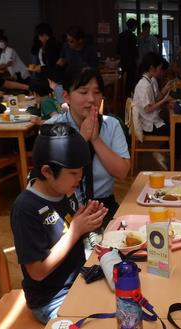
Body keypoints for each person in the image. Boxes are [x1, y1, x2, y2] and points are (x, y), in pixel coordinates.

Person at [11, 124, 107, 323]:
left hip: (78, 281)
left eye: (81, 171)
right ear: (47, 171)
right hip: (51, 299)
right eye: (73, 173)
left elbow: (69, 228)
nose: (79, 178)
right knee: (102, 327)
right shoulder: (25, 209)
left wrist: (86, 219)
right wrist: (75, 231)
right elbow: (37, 272)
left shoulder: (63, 191)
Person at [46, 67, 130, 222]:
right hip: (65, 207)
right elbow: (52, 180)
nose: (92, 99)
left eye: (97, 92)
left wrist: (95, 139)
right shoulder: (52, 129)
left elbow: (122, 173)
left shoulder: (111, 125)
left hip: (103, 206)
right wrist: (82, 139)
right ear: (66, 96)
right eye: (83, 92)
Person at [133, 52, 173, 137]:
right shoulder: (144, 85)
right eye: (160, 68)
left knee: (176, 127)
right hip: (148, 125)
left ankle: (167, 148)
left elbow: (153, 101)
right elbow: (147, 109)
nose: (160, 71)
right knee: (177, 130)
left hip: (151, 120)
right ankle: (169, 149)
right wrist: (164, 100)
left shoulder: (148, 81)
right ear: (152, 68)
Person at [117, 18, 139, 99]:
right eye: (135, 26)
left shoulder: (121, 35)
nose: (136, 28)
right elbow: (135, 51)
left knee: (121, 81)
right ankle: (128, 97)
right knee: (130, 81)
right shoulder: (133, 37)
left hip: (123, 62)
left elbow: (118, 50)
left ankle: (120, 96)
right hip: (131, 63)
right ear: (133, 26)